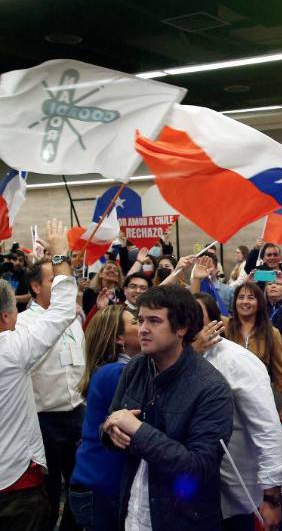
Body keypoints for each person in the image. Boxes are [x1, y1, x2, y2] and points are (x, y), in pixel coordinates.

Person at [101, 285, 234, 530]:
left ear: (181, 328)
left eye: (154, 321)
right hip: (133, 509)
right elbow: (113, 421)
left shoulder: (212, 388)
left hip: (182, 518)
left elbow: (199, 468)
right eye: (140, 320)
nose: (142, 329)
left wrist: (138, 431)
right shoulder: (136, 367)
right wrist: (110, 431)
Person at [0, 221, 75, 531]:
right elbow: (62, 312)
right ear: (6, 316)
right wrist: (59, 256)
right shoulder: (11, 348)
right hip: (15, 485)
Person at [193, 293, 282, 531]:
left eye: (196, 316)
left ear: (215, 323)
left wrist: (271, 497)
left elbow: (267, 429)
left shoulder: (237, 360)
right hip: (208, 495)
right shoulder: (178, 360)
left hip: (250, 495)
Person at [17, 258, 87, 531]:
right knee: (48, 490)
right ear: (35, 286)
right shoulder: (23, 324)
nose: (59, 286)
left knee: (80, 483)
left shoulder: (72, 318)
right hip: (43, 418)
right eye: (52, 280)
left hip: (78, 413)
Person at [69, 306, 140, 530]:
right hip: (100, 487)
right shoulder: (115, 373)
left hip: (98, 484)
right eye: (137, 323)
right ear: (120, 338)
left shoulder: (117, 369)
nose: (145, 327)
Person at [226, 281, 282, 427]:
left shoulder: (272, 333)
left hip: (259, 400)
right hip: (227, 399)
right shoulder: (224, 326)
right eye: (241, 297)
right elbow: (198, 313)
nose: (245, 301)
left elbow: (281, 371)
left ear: (259, 303)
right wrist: (196, 278)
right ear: (235, 302)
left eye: (251, 297)